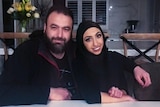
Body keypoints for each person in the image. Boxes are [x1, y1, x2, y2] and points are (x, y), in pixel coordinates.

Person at [0, 5, 79, 106]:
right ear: (45, 28)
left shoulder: (78, 52)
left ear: (71, 31)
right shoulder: (28, 51)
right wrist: (48, 93)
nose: (59, 35)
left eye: (66, 29)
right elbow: (3, 92)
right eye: (54, 27)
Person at [73, 21, 151, 104]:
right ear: (82, 43)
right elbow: (91, 96)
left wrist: (137, 69)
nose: (95, 43)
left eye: (98, 36)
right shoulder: (78, 64)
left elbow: (129, 66)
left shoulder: (113, 57)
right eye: (88, 39)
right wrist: (125, 98)